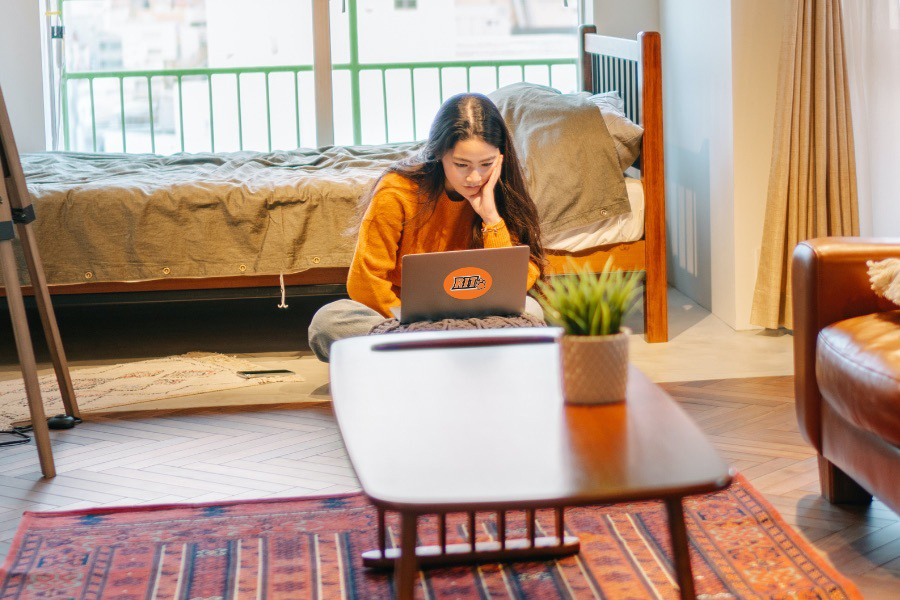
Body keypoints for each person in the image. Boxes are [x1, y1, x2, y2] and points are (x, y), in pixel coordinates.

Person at [308, 93, 546, 362]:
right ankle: (455, 355)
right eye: (461, 164)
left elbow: (515, 282)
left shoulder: (501, 192)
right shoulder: (397, 191)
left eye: (487, 164)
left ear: (501, 158)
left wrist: (491, 219)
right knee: (328, 321)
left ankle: (419, 357)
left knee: (531, 309)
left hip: (475, 318)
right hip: (404, 322)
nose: (474, 177)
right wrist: (414, 327)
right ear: (439, 153)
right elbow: (365, 282)